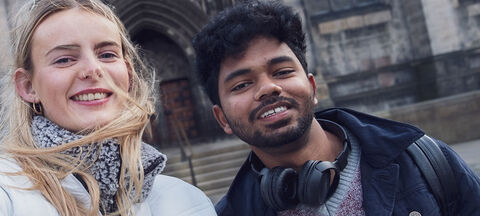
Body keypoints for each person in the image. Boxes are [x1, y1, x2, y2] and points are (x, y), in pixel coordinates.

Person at [0, 0, 215, 215]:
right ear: (28, 86)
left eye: (107, 54)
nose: (92, 69)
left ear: (127, 74)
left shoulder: (184, 201)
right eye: (64, 59)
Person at [192, 0, 480, 215]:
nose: (268, 88)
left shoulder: (422, 161)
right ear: (222, 118)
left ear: (313, 87)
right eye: (241, 84)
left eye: (281, 71)